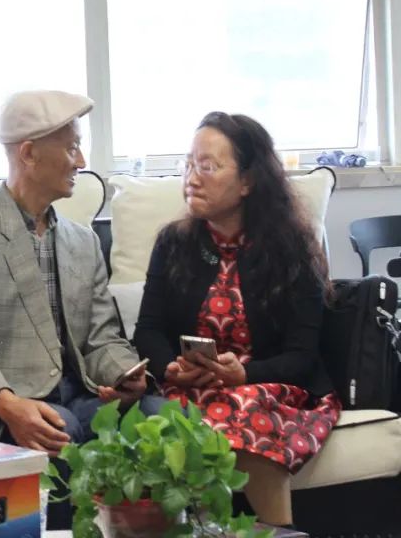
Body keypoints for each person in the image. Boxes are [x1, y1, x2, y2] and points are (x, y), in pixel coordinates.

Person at [134, 111, 340, 527]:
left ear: (247, 181)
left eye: (208, 167)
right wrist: (171, 367)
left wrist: (244, 375)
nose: (191, 178)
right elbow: (148, 330)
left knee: (242, 407)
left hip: (271, 387)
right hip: (191, 389)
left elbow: (302, 355)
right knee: (177, 419)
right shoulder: (174, 243)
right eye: (188, 165)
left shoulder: (293, 249)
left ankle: (278, 531)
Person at [0, 89, 159, 456]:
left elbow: (101, 337)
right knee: (61, 430)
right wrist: (8, 404)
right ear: (29, 154)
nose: (81, 161)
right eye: (72, 148)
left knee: (166, 419)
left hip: (80, 397)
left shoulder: (82, 241)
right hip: (6, 406)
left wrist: (125, 374)